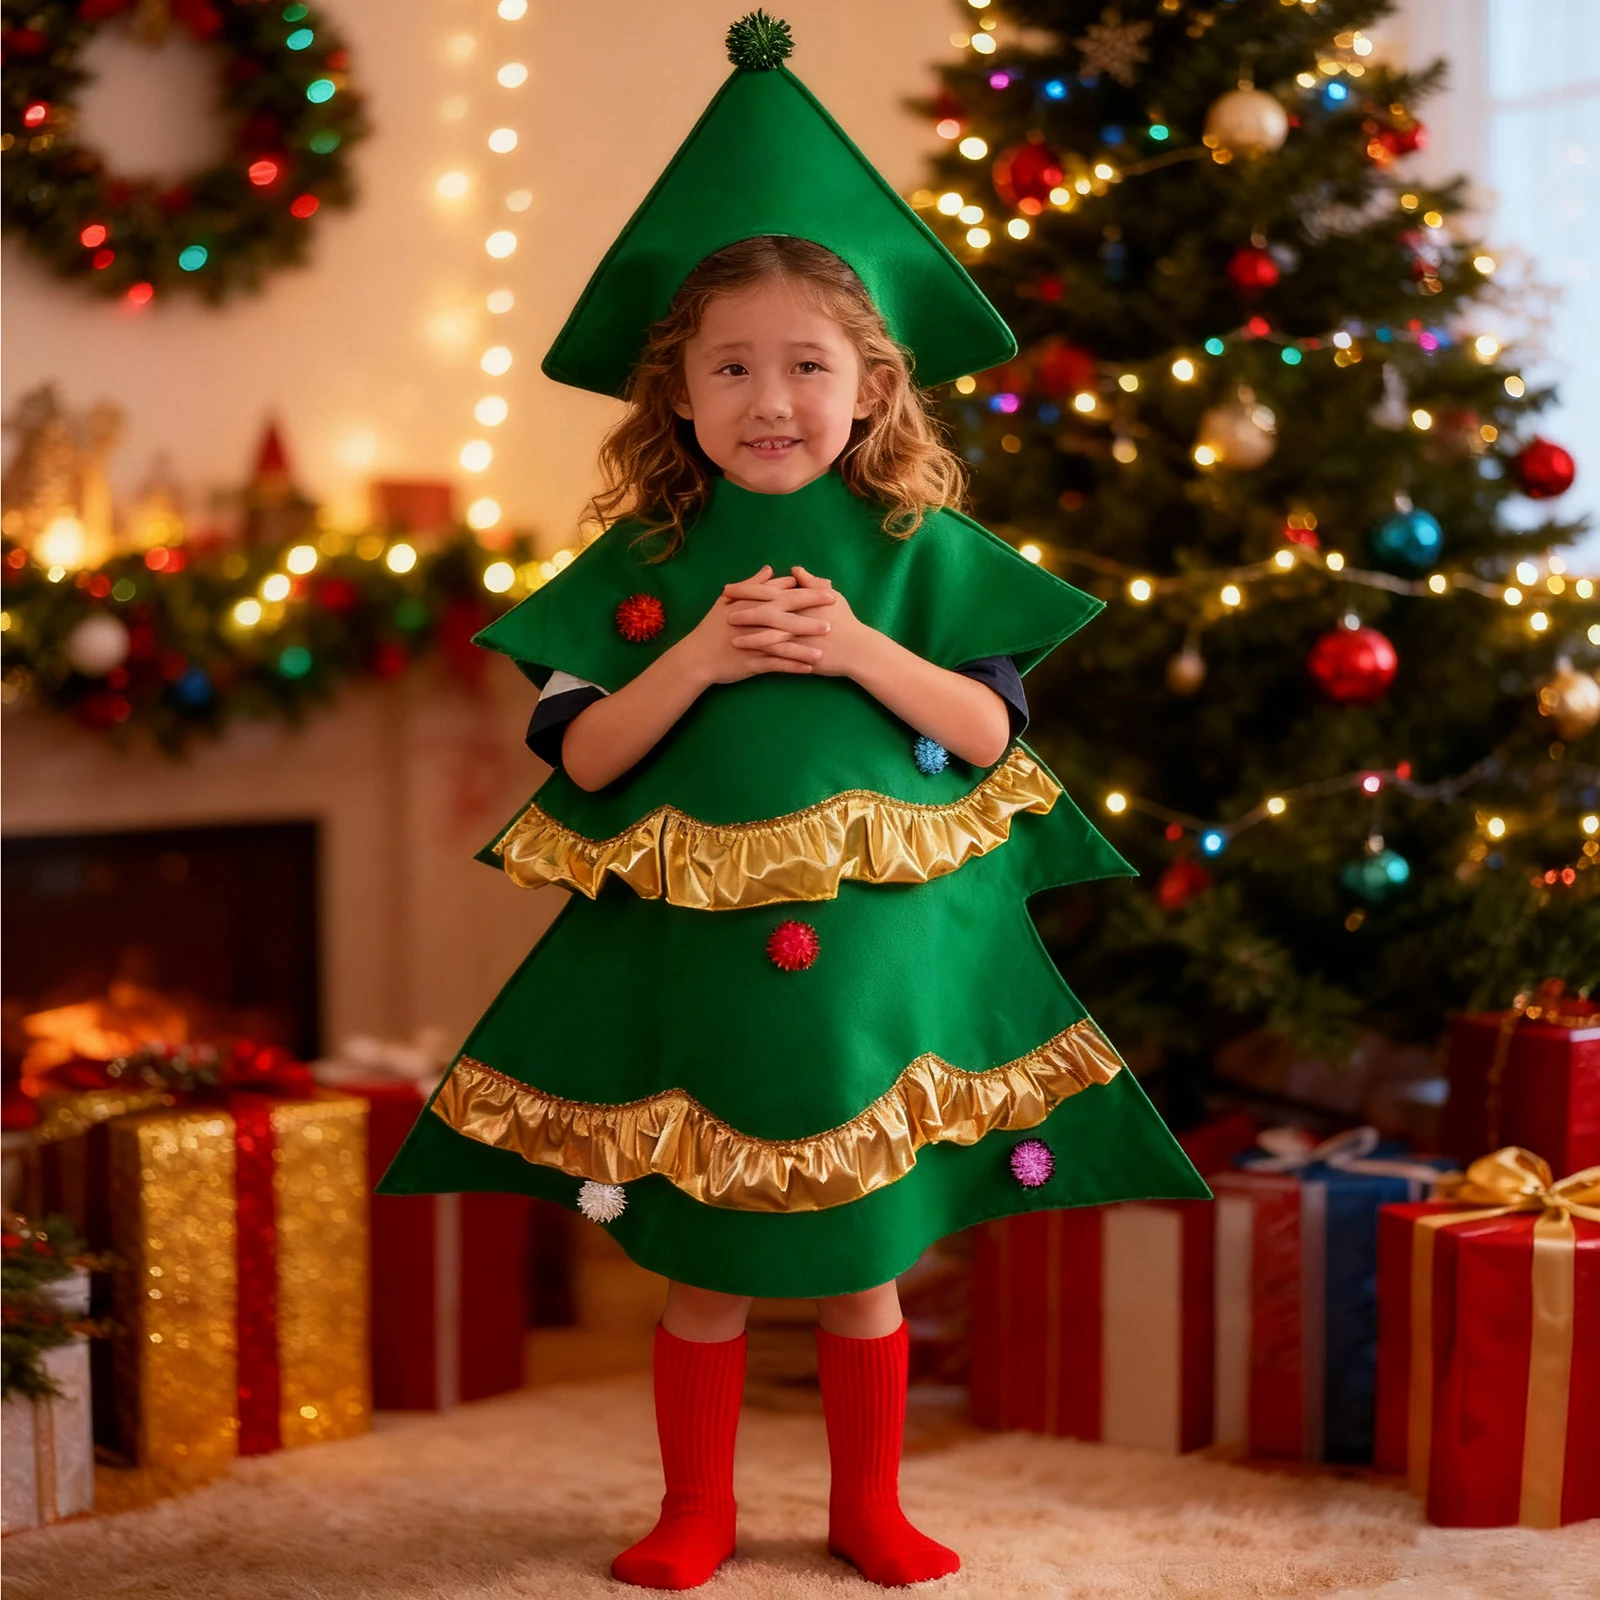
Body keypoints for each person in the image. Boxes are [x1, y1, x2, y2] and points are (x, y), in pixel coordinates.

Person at [377, 14, 1211, 1591]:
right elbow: (595, 759)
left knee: (861, 1262)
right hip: (698, 977)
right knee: (702, 1259)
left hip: (882, 982)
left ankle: (866, 1508)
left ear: (872, 385)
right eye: (732, 368)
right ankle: (696, 1507)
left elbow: (983, 731)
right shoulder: (632, 574)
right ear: (678, 397)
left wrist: (859, 647)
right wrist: (694, 654)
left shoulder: (917, 550)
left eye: (808, 367)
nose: (772, 398)